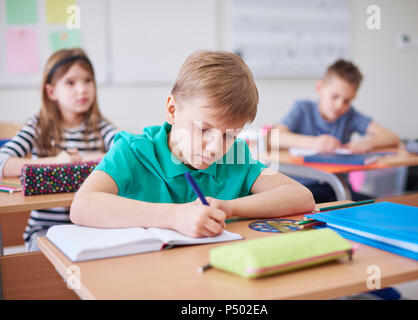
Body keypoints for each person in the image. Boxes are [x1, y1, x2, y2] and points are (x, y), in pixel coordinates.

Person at [70, 50, 315, 238]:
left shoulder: (234, 156)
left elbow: (302, 197)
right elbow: (82, 206)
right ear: (172, 110)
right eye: (204, 129)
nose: (215, 147)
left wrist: (229, 207)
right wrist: (175, 216)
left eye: (229, 134)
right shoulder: (133, 151)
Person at [0, 48, 118, 251]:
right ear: (51, 91)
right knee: (54, 252)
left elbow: (128, 151)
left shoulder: (100, 128)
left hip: (90, 226)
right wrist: (55, 162)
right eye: (70, 82)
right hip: (45, 229)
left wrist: (86, 157)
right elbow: (2, 161)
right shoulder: (38, 127)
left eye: (88, 80)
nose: (82, 89)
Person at [273, 59, 400, 202]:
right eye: (334, 97)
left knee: (379, 205)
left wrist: (368, 142)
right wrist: (315, 143)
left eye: (347, 101)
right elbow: (274, 137)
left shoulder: (349, 115)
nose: (340, 105)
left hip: (338, 188)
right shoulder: (302, 109)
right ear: (320, 88)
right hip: (304, 189)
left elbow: (391, 137)